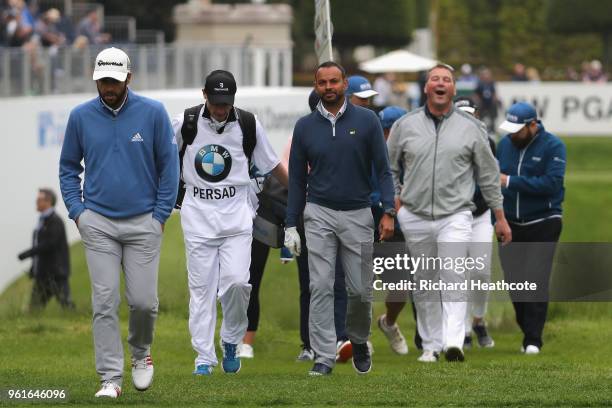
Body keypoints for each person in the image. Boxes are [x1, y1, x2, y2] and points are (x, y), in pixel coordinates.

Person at [59, 47, 179, 398]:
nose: (107, 86)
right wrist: (77, 211)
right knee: (105, 300)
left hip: (144, 222)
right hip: (97, 222)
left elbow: (168, 168)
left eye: (113, 79)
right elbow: (69, 167)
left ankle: (141, 354)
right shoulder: (80, 116)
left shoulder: (153, 112)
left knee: (143, 302)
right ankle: (110, 377)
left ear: (129, 77)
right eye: (102, 80)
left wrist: (159, 216)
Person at [386, 63, 512, 363]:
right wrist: (394, 201)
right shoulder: (406, 125)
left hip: (456, 214)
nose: (440, 84)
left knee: (454, 275)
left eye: (446, 80)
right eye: (435, 79)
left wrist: (500, 217)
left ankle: (454, 341)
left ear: (454, 89)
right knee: (425, 281)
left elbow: (488, 176)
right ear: (426, 88)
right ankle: (431, 345)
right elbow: (388, 167)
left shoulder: (473, 128)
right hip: (414, 214)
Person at [172, 69, 288, 376]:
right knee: (202, 290)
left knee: (238, 283)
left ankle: (232, 341)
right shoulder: (186, 122)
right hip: (197, 218)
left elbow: (272, 164)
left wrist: (300, 193)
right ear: (204, 95)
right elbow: (161, 157)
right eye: (215, 102)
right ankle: (203, 358)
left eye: (226, 103)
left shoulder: (248, 124)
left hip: (237, 216)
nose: (221, 109)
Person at [284, 61, 395, 376]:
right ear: (316, 86)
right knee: (320, 285)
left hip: (359, 213)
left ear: (345, 83)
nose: (329, 87)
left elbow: (384, 170)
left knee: (360, 289)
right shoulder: (304, 126)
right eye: (323, 83)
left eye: (334, 81)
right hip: (318, 213)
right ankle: (323, 356)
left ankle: (358, 340)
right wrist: (291, 224)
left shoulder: (368, 120)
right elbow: (296, 181)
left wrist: (388, 210)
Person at [497, 102, 566, 355]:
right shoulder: (504, 145)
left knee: (536, 279)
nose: (512, 134)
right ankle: (527, 328)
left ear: (533, 125)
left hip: (544, 221)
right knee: (515, 282)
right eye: (510, 129)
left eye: (518, 129)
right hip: (510, 223)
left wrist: (510, 181)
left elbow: (551, 183)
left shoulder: (553, 146)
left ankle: (533, 340)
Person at [454, 97, 496, 349]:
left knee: (480, 271)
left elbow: (490, 179)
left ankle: (478, 320)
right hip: (453, 216)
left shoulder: (487, 142)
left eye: (470, 114)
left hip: (480, 215)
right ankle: (465, 331)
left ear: (476, 115)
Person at [18, 188, 74, 310]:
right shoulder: (41, 222)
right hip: (42, 274)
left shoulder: (55, 221)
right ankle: (35, 328)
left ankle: (78, 327)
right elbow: (40, 246)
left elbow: (49, 244)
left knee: (67, 306)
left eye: (39, 199)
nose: (36, 202)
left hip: (56, 273)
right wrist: (34, 268)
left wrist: (27, 253)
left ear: (48, 201)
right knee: (34, 309)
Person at [474, 67, 499, 133]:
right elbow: (476, 93)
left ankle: (493, 129)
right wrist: (479, 101)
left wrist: (495, 99)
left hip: (490, 102)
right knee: (480, 115)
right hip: (483, 102)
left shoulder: (491, 83)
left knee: (492, 115)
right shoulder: (480, 83)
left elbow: (494, 92)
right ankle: (480, 128)